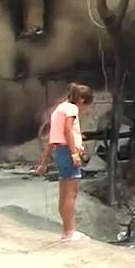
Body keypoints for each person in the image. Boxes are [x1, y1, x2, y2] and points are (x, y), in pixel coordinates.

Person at [37, 83, 94, 242]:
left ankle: (67, 231)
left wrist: (44, 161)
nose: (85, 110)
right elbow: (67, 130)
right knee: (71, 194)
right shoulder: (71, 109)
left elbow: (52, 138)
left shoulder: (59, 109)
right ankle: (70, 232)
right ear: (81, 100)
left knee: (64, 194)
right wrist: (75, 153)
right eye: (87, 105)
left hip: (60, 152)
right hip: (68, 153)